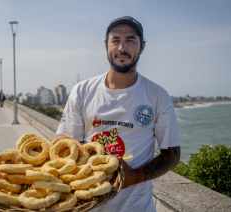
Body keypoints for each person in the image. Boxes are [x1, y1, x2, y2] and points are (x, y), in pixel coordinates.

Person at [56, 16, 180, 211]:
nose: (122, 47)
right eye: (115, 40)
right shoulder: (82, 91)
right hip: (87, 206)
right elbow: (65, 146)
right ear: (106, 45)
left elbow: (172, 155)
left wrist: (135, 176)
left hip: (137, 206)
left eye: (130, 40)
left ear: (142, 47)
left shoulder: (157, 96)